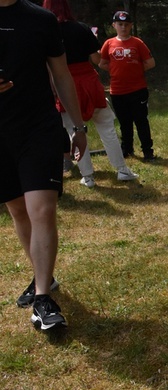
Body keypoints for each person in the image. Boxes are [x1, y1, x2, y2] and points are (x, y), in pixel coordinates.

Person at [1, 0, 88, 330]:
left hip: (38, 128)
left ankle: (42, 299)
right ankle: (45, 278)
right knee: (19, 211)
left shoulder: (42, 20)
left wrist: (78, 128)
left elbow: (62, 75)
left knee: (42, 209)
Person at [42, 0, 139, 188]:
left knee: (75, 131)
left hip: (64, 84)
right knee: (106, 127)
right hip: (88, 82)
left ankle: (88, 176)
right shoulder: (81, 28)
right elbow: (96, 59)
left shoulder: (46, 32)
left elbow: (47, 65)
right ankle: (121, 169)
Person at [99, 10, 156, 161]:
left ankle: (147, 151)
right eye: (120, 24)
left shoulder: (137, 43)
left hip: (137, 89)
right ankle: (127, 149)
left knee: (141, 121)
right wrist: (116, 69)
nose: (123, 27)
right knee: (124, 122)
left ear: (131, 25)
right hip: (117, 90)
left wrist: (134, 68)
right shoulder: (108, 44)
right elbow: (102, 63)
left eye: (126, 24)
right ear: (114, 25)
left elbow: (150, 62)